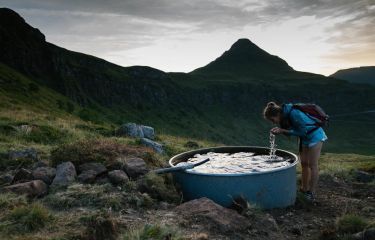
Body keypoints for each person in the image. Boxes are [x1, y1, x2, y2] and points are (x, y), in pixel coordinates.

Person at [263, 101, 328, 202]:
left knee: (312, 165)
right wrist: (280, 130)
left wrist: (283, 131)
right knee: (304, 164)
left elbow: (302, 132)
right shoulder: (285, 115)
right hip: (304, 139)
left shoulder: (293, 113)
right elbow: (294, 131)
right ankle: (304, 189)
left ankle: (311, 193)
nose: (273, 122)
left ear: (277, 114)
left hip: (315, 136)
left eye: (272, 119)